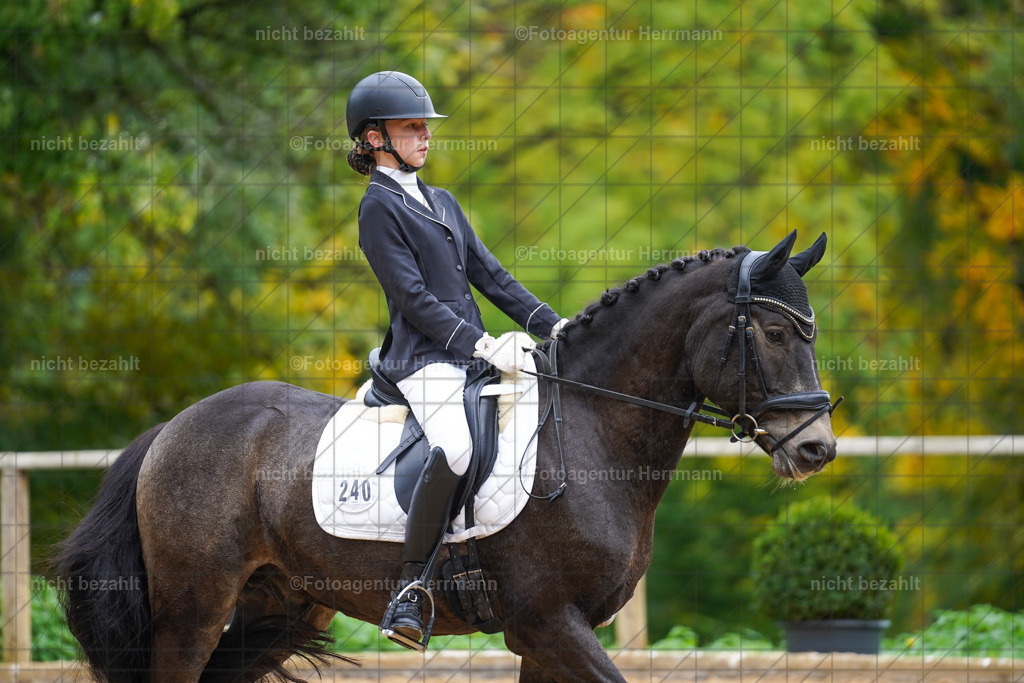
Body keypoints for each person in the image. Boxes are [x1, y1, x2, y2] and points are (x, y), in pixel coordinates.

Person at [346, 70, 568, 648]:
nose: (425, 135)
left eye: (426, 126)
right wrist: (477, 343)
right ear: (375, 138)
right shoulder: (378, 208)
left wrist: (555, 325)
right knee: (457, 444)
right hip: (421, 360)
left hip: (470, 355)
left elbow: (490, 276)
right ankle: (410, 592)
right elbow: (412, 298)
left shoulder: (441, 200)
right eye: (412, 126)